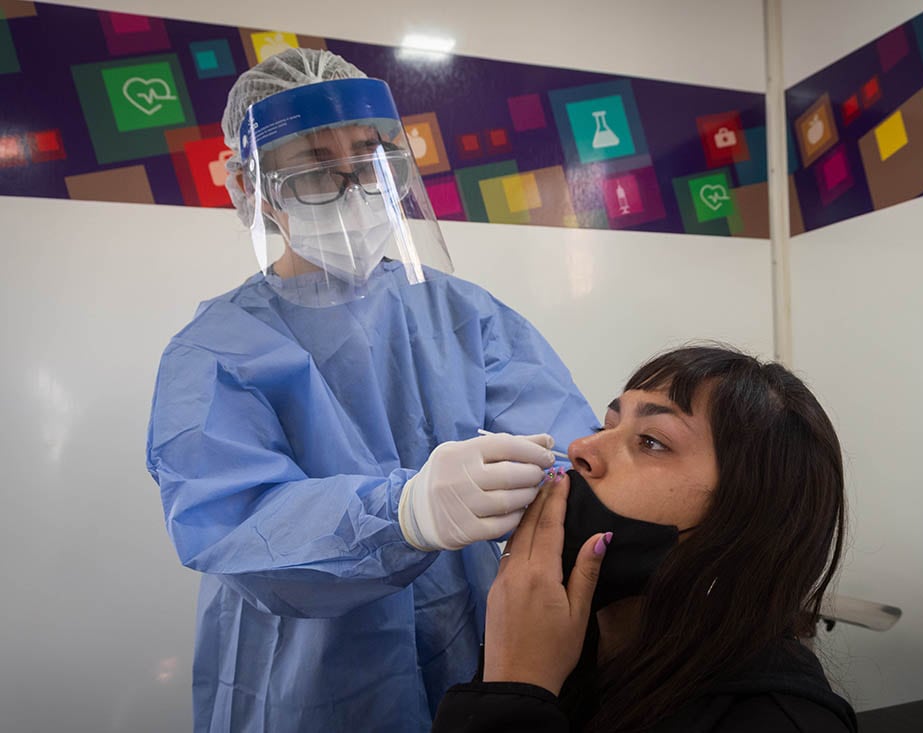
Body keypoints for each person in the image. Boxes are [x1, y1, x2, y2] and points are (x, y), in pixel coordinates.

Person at [145, 48, 596, 732]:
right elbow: (237, 524)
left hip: (471, 651)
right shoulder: (215, 351)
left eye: (370, 155)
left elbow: (566, 455)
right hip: (303, 679)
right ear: (254, 186)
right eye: (316, 165)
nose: (355, 186)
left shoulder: (461, 314)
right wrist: (402, 512)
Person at [432, 345, 857, 732]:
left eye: (652, 442)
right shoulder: (567, 650)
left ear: (744, 521)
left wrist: (514, 691)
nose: (581, 447)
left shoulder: (781, 721)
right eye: (606, 425)